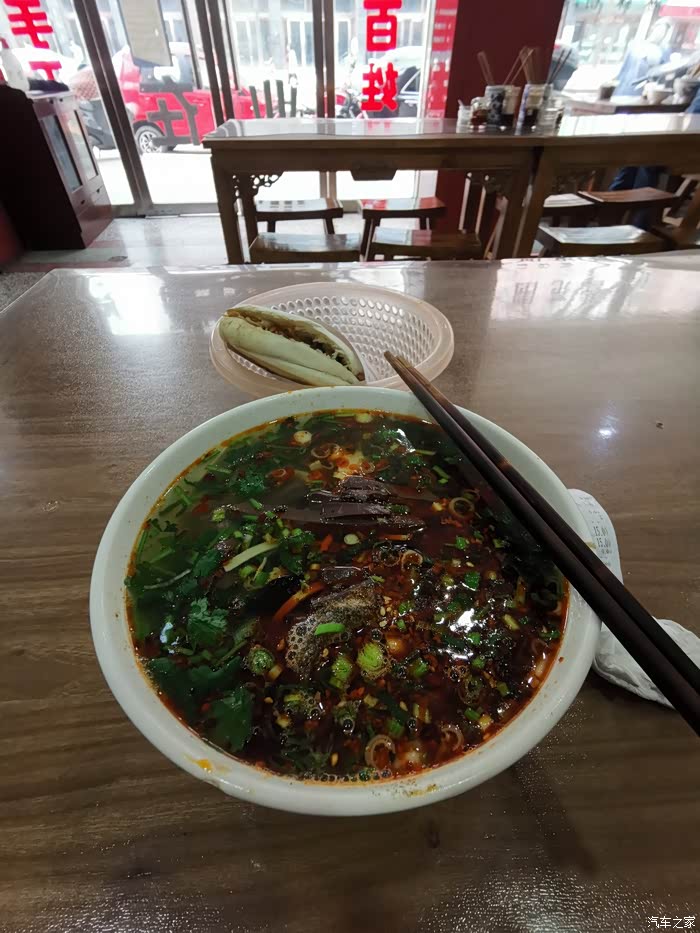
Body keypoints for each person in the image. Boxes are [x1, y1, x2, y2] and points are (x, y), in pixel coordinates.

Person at [614, 21, 671, 96]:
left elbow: (663, 71)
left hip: (645, 88)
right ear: (653, 29)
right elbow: (624, 67)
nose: (661, 34)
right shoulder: (635, 45)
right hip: (627, 84)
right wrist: (617, 81)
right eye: (660, 30)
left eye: (664, 32)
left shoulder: (663, 51)